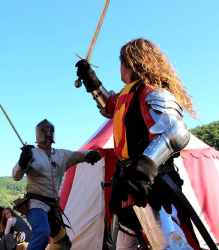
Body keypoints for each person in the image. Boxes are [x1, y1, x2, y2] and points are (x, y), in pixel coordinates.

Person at [75, 38, 197, 249]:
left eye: (121, 62)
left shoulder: (151, 91)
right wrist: (91, 80)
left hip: (151, 184)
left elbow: (174, 131)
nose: (119, 67)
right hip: (126, 184)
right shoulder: (126, 94)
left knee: (171, 245)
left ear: (131, 63)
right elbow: (109, 106)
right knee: (125, 245)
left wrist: (144, 168)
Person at [13, 119, 102, 250]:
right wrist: (22, 161)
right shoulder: (32, 155)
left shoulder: (61, 155)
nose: (48, 135)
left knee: (63, 244)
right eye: (45, 132)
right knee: (42, 233)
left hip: (52, 207)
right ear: (39, 135)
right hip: (36, 204)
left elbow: (77, 155)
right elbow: (16, 176)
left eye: (50, 132)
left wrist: (89, 154)